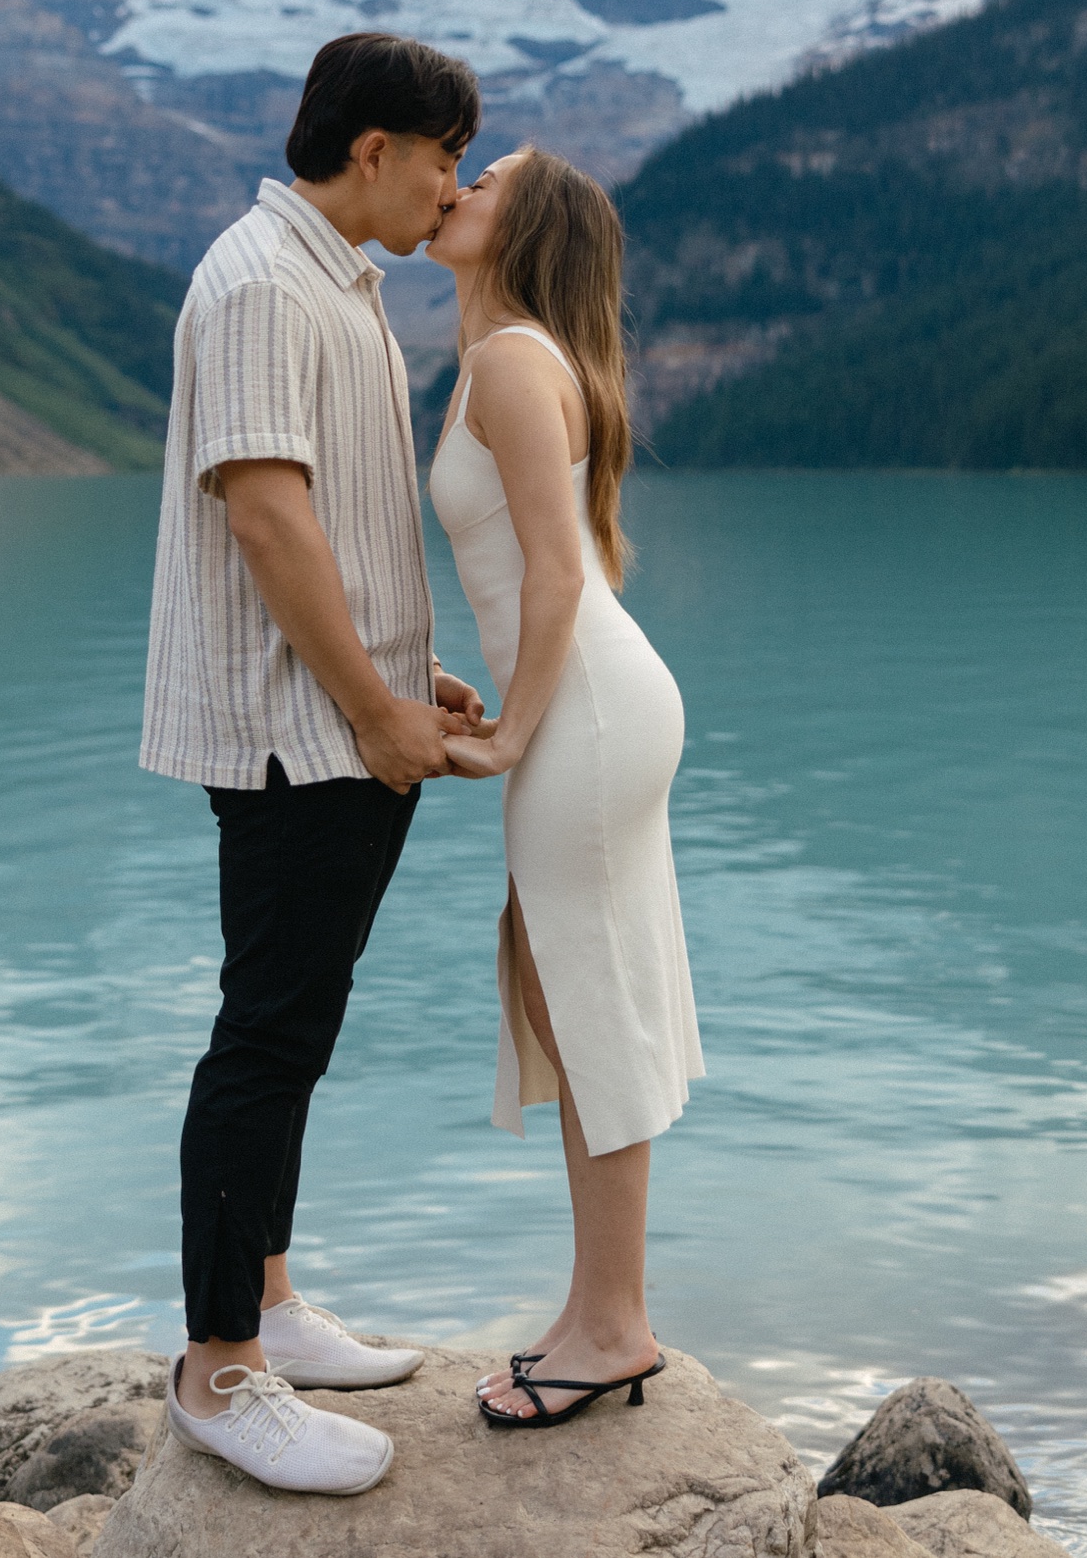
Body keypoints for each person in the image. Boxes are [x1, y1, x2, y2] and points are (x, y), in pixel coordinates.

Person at [140, 33, 486, 1493]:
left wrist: (408, 670)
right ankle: (221, 1369)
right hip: (301, 734)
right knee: (267, 1035)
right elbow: (270, 518)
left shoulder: (331, 279)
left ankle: (271, 1303)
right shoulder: (262, 282)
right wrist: (378, 708)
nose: (449, 188)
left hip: (342, 711)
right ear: (373, 151)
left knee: (295, 1026)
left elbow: (330, 515)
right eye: (441, 158)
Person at [425, 146, 705, 1428]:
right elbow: (556, 568)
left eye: (483, 179)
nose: (456, 187)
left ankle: (612, 1325)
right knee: (569, 989)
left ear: (520, 223)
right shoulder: (513, 357)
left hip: (584, 709)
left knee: (585, 996)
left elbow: (552, 574)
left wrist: (511, 732)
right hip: (595, 701)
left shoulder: (509, 361)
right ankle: (603, 1307)